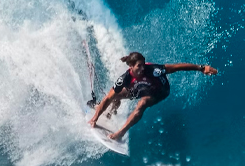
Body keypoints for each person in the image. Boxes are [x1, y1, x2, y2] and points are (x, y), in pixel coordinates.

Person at [88, 52, 218, 141]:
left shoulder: (154, 71)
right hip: (140, 88)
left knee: (142, 104)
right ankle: (110, 113)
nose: (143, 68)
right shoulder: (125, 79)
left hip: (159, 91)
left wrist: (201, 68)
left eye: (143, 64)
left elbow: (176, 67)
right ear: (131, 67)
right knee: (116, 96)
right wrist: (94, 118)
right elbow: (108, 97)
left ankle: (120, 133)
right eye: (139, 66)